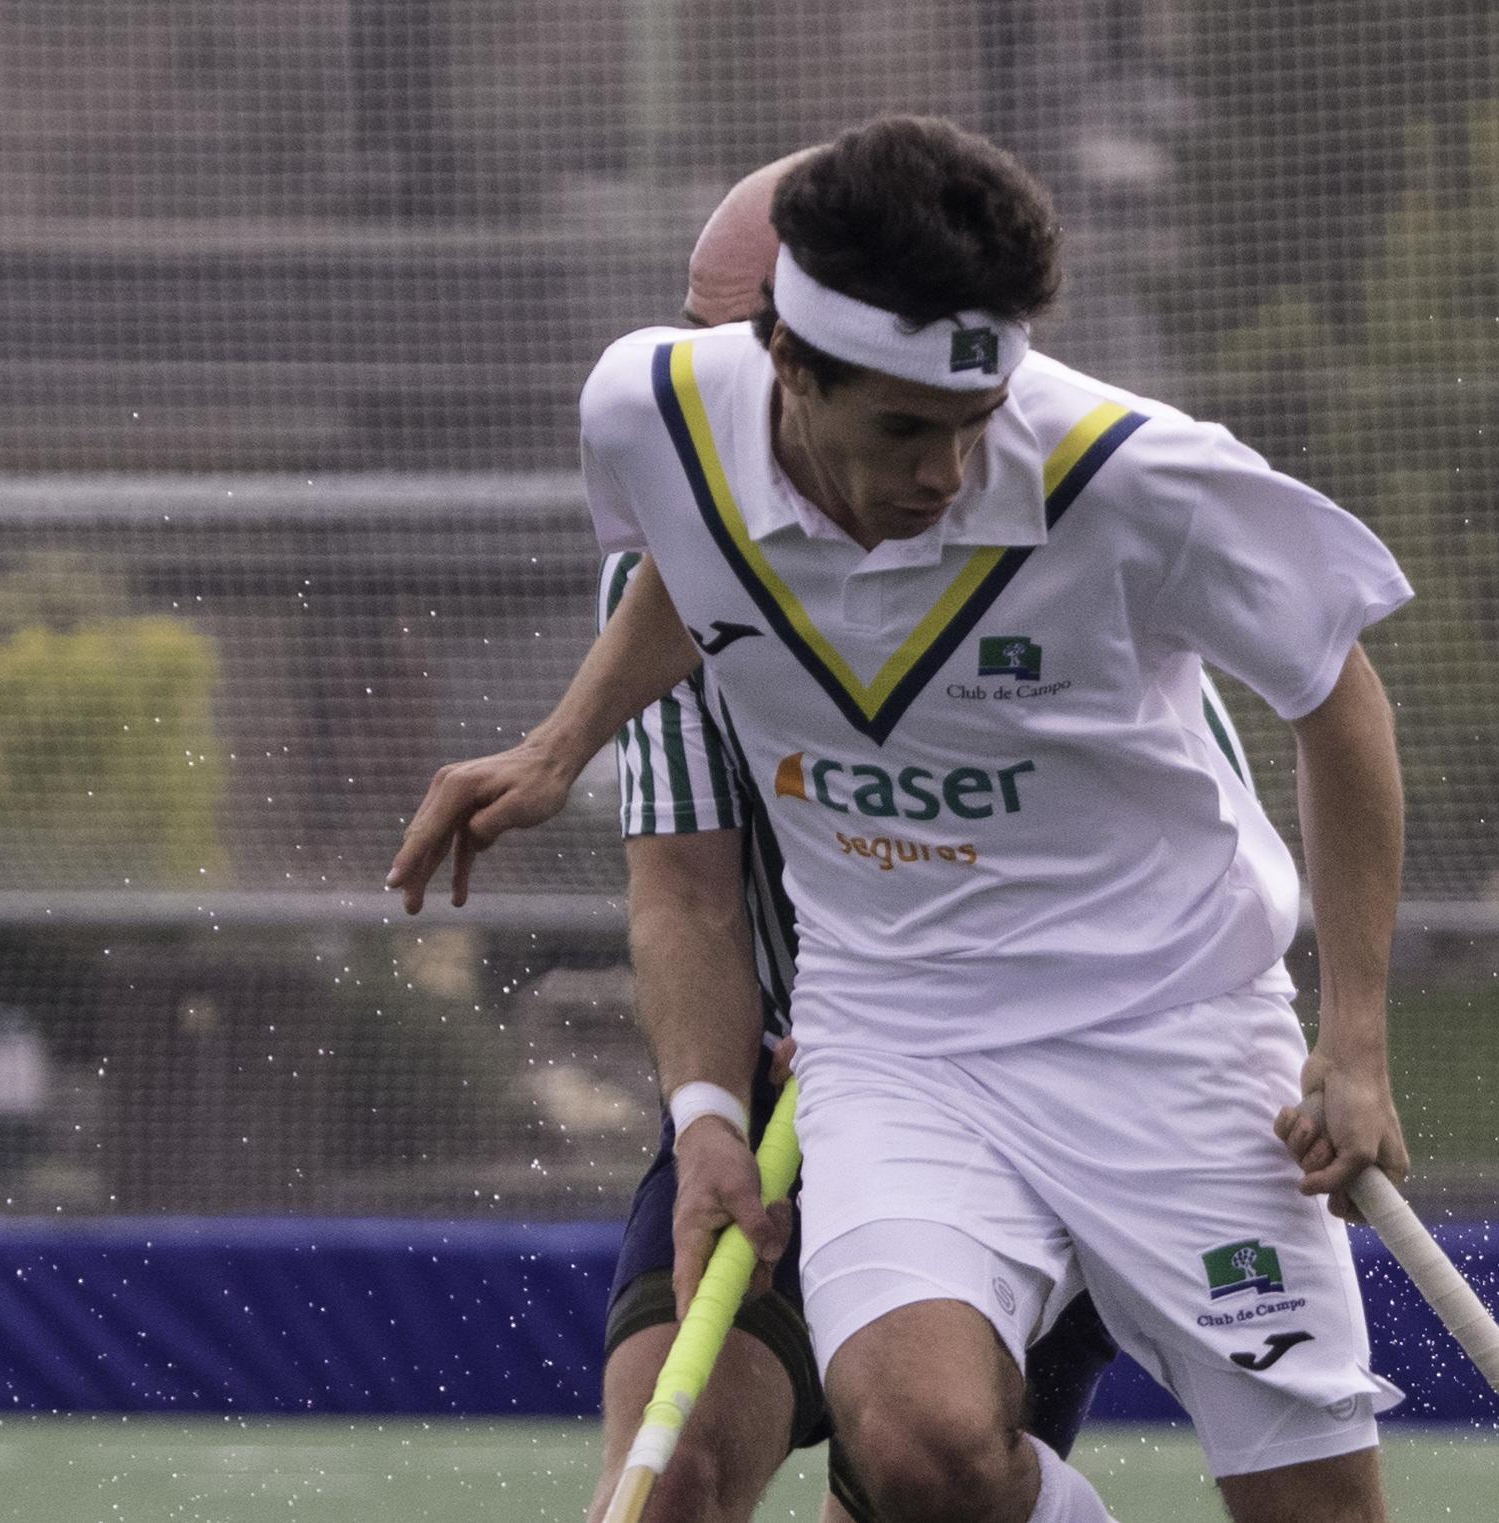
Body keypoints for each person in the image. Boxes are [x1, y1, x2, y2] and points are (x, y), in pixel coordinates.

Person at [393, 114, 1414, 1523]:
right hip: (897, 1033)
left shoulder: (1129, 473)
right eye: (902, 432)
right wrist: (565, 742)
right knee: (918, 1451)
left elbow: (1338, 695)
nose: (944, 474)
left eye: (974, 427)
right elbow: (696, 557)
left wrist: (1353, 1035)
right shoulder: (647, 410)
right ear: (787, 368)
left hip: (1168, 1033)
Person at [586, 150, 1118, 1523]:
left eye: (746, 360)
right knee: (673, 1478)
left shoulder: (1065, 542)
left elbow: (1188, 855)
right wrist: (707, 1118)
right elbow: (689, 897)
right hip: (775, 1078)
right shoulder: (669, 556)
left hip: (1025, 1090)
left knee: (916, 1479)